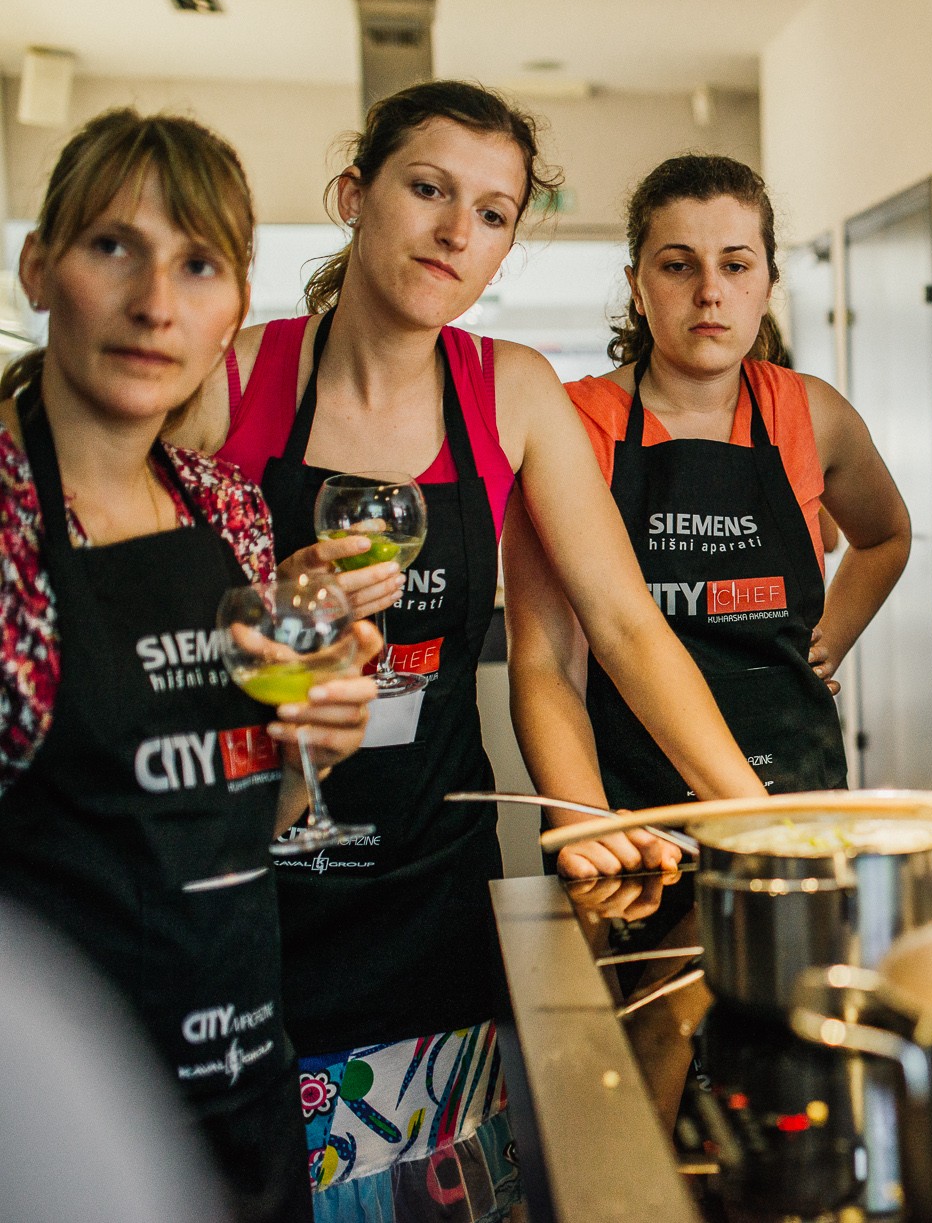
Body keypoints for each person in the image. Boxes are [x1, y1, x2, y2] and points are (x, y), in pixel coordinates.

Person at [172, 82, 768, 1221]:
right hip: (250, 888)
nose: (456, 232)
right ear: (354, 195)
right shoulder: (229, 379)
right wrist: (267, 615)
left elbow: (624, 624)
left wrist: (757, 819)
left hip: (427, 893)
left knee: (432, 1194)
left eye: (493, 213)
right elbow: (145, 626)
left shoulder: (511, 392)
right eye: (428, 190)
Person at [0, 108, 378, 1222]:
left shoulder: (229, 510)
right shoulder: (9, 524)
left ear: (234, 306)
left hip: (247, 1100)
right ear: (38, 267)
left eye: (199, 264)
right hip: (53, 1140)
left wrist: (312, 753)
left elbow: (238, 819)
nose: (156, 302)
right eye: (113, 245)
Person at [505, 153, 909, 822]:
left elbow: (887, 536)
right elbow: (546, 663)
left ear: (769, 283)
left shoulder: (814, 415)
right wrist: (585, 824)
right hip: (637, 813)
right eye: (678, 265)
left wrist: (830, 639)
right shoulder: (574, 425)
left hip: (796, 794)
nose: (710, 292)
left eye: (736, 265)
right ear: (637, 286)